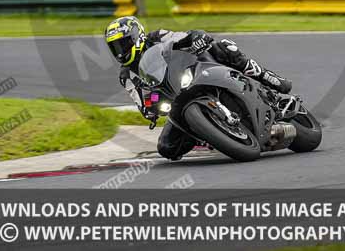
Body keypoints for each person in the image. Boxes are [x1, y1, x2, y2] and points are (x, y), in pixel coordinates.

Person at [104, 16, 293, 160]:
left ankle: (269, 78)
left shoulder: (157, 36)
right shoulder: (126, 75)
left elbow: (183, 38)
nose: (121, 51)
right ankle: (210, 134)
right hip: (175, 98)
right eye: (115, 48)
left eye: (124, 44)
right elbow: (141, 103)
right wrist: (151, 106)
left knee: (223, 48)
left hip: (196, 69)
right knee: (166, 148)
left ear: (137, 35)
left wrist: (196, 38)